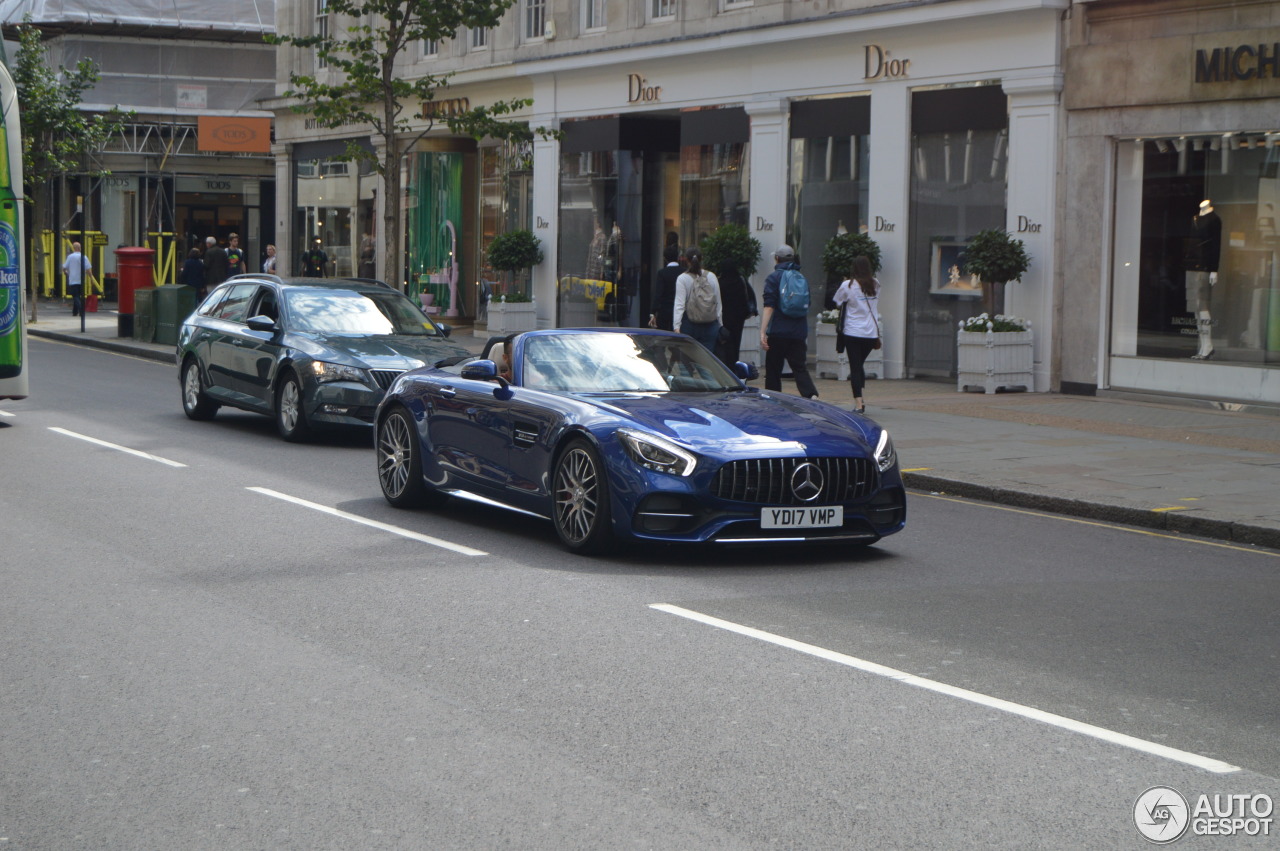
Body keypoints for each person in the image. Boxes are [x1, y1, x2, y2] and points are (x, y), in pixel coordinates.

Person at [759, 244, 819, 399]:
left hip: (778, 331)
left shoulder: (774, 278)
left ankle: (773, 399)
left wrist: (763, 331)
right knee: (799, 367)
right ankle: (811, 395)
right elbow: (808, 304)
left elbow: (769, 306)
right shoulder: (801, 277)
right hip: (798, 331)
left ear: (777, 259)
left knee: (773, 370)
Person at [832, 255, 882, 414]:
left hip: (853, 331)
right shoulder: (875, 284)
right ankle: (860, 393)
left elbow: (838, 301)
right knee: (858, 365)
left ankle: (859, 404)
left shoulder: (848, 285)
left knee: (855, 366)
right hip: (870, 333)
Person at [1185, 198, 1221, 360]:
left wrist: (1214, 269)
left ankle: (1208, 345)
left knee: (1202, 305)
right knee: (1195, 307)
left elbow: (1216, 245)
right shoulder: (1195, 218)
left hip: (1205, 267)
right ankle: (1204, 346)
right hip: (1192, 266)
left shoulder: (1214, 220)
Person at [672, 247, 722, 352]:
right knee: (706, 362)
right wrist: (720, 324)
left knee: (687, 361)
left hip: (689, 324)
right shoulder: (711, 276)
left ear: (686, 260)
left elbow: (679, 304)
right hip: (710, 324)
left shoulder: (682, 278)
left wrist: (676, 326)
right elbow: (718, 302)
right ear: (701, 259)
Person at [716, 258, 752, 365]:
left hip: (724, 318)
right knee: (736, 343)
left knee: (724, 344)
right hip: (738, 318)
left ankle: (725, 365)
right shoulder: (741, 281)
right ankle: (735, 364)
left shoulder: (720, 283)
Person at [648, 243, 685, 331]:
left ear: (664, 258)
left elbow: (658, 294)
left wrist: (653, 312)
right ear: (678, 257)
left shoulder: (662, 273)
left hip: (664, 311)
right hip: (681, 311)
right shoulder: (684, 272)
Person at [62, 241, 91, 316]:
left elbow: (64, 267)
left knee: (75, 296)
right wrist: (91, 278)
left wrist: (65, 272)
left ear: (73, 248)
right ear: (80, 248)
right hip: (81, 280)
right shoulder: (84, 256)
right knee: (79, 296)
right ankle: (75, 312)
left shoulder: (70, 257)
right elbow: (88, 269)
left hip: (73, 280)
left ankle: (81, 310)